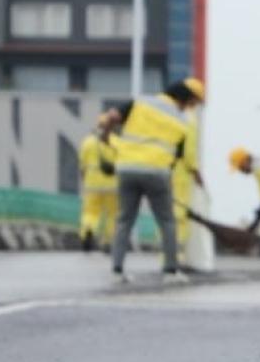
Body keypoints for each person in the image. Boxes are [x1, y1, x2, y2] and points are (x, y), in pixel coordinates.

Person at [111, 78, 205, 284]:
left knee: (124, 219)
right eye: (192, 103)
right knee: (167, 221)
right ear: (185, 99)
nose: (191, 107)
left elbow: (112, 117)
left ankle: (117, 270)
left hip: (126, 168)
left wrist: (107, 134)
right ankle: (170, 271)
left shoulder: (141, 102)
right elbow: (180, 155)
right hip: (156, 171)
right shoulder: (183, 119)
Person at [77, 111, 119, 252]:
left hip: (92, 184)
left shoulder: (88, 142)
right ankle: (108, 241)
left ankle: (88, 230)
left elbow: (82, 165)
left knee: (90, 211)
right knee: (112, 214)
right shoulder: (116, 142)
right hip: (112, 185)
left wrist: (84, 180)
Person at [170, 108, 201, 269]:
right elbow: (189, 152)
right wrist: (195, 170)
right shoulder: (190, 120)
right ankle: (177, 256)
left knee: (167, 213)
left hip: (165, 167)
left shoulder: (171, 114)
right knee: (180, 214)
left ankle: (167, 256)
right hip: (180, 172)